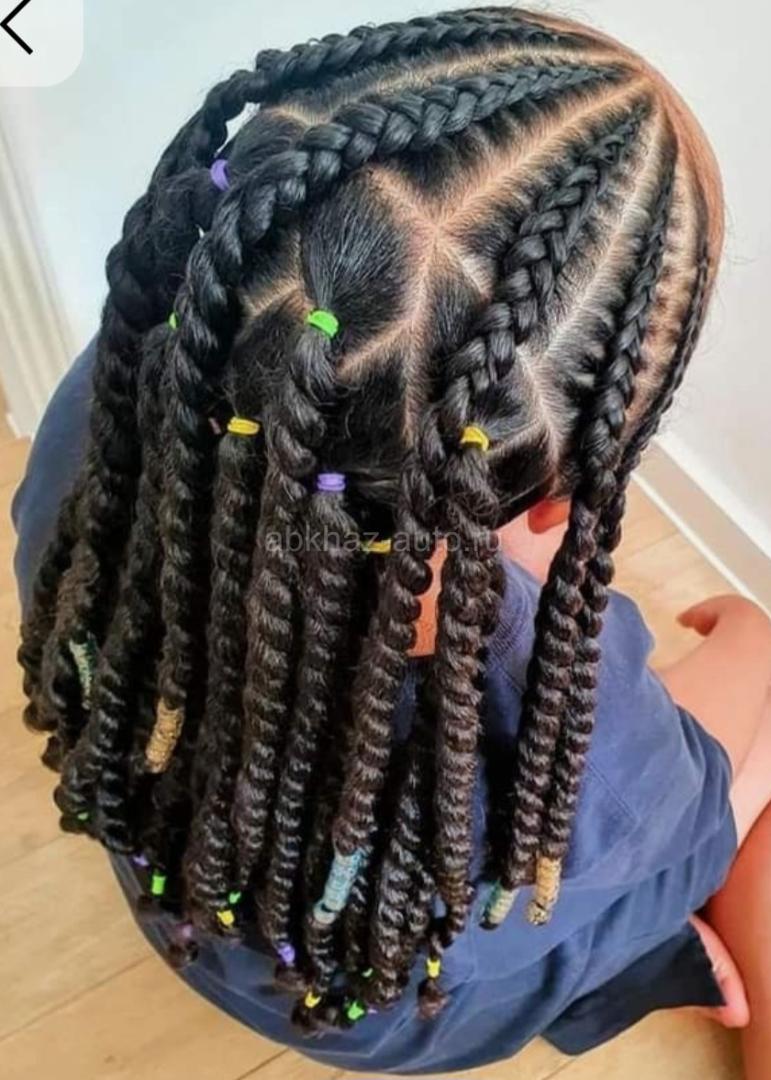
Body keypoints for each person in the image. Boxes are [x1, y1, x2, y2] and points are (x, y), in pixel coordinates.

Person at [12, 7, 771, 1077]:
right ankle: (619, 969)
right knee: (708, 778)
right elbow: (676, 812)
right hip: (381, 998)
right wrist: (750, 640)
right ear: (558, 500)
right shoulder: (545, 710)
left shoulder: (102, 422)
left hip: (180, 877)